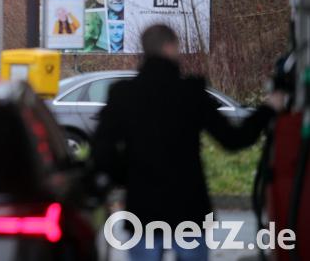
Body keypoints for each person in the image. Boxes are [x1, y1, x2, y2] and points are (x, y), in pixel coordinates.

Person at [91, 24, 284, 261]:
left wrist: (128, 175)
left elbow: (101, 152)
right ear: (170, 47)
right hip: (189, 211)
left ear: (145, 50)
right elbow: (235, 139)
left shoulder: (123, 94)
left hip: (143, 209)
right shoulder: (190, 92)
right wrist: (268, 108)